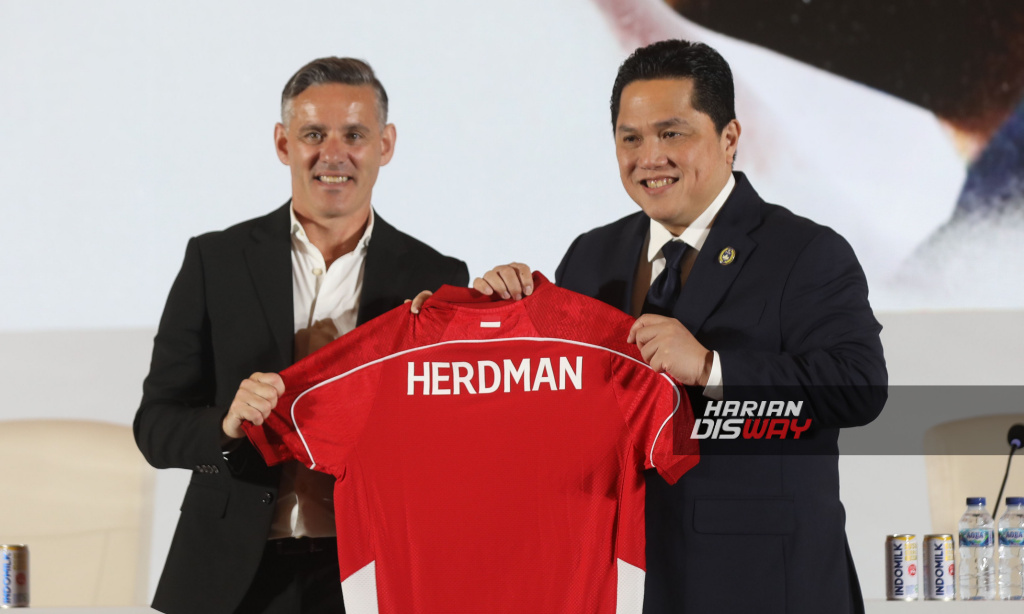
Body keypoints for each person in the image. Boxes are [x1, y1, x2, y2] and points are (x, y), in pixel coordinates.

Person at [461, 40, 887, 613]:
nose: (649, 157)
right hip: (624, 578)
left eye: (672, 133)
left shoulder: (806, 251)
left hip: (766, 582)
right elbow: (556, 409)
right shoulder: (591, 257)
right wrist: (490, 322)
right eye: (630, 138)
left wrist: (712, 368)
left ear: (729, 138)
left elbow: (859, 387)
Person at [134, 57, 468, 614]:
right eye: (313, 134)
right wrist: (226, 425)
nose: (333, 154)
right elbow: (155, 427)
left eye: (354, 135)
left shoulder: (436, 277)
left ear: (385, 145)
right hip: (229, 578)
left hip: (372, 572)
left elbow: (450, 444)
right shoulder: (215, 261)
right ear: (283, 143)